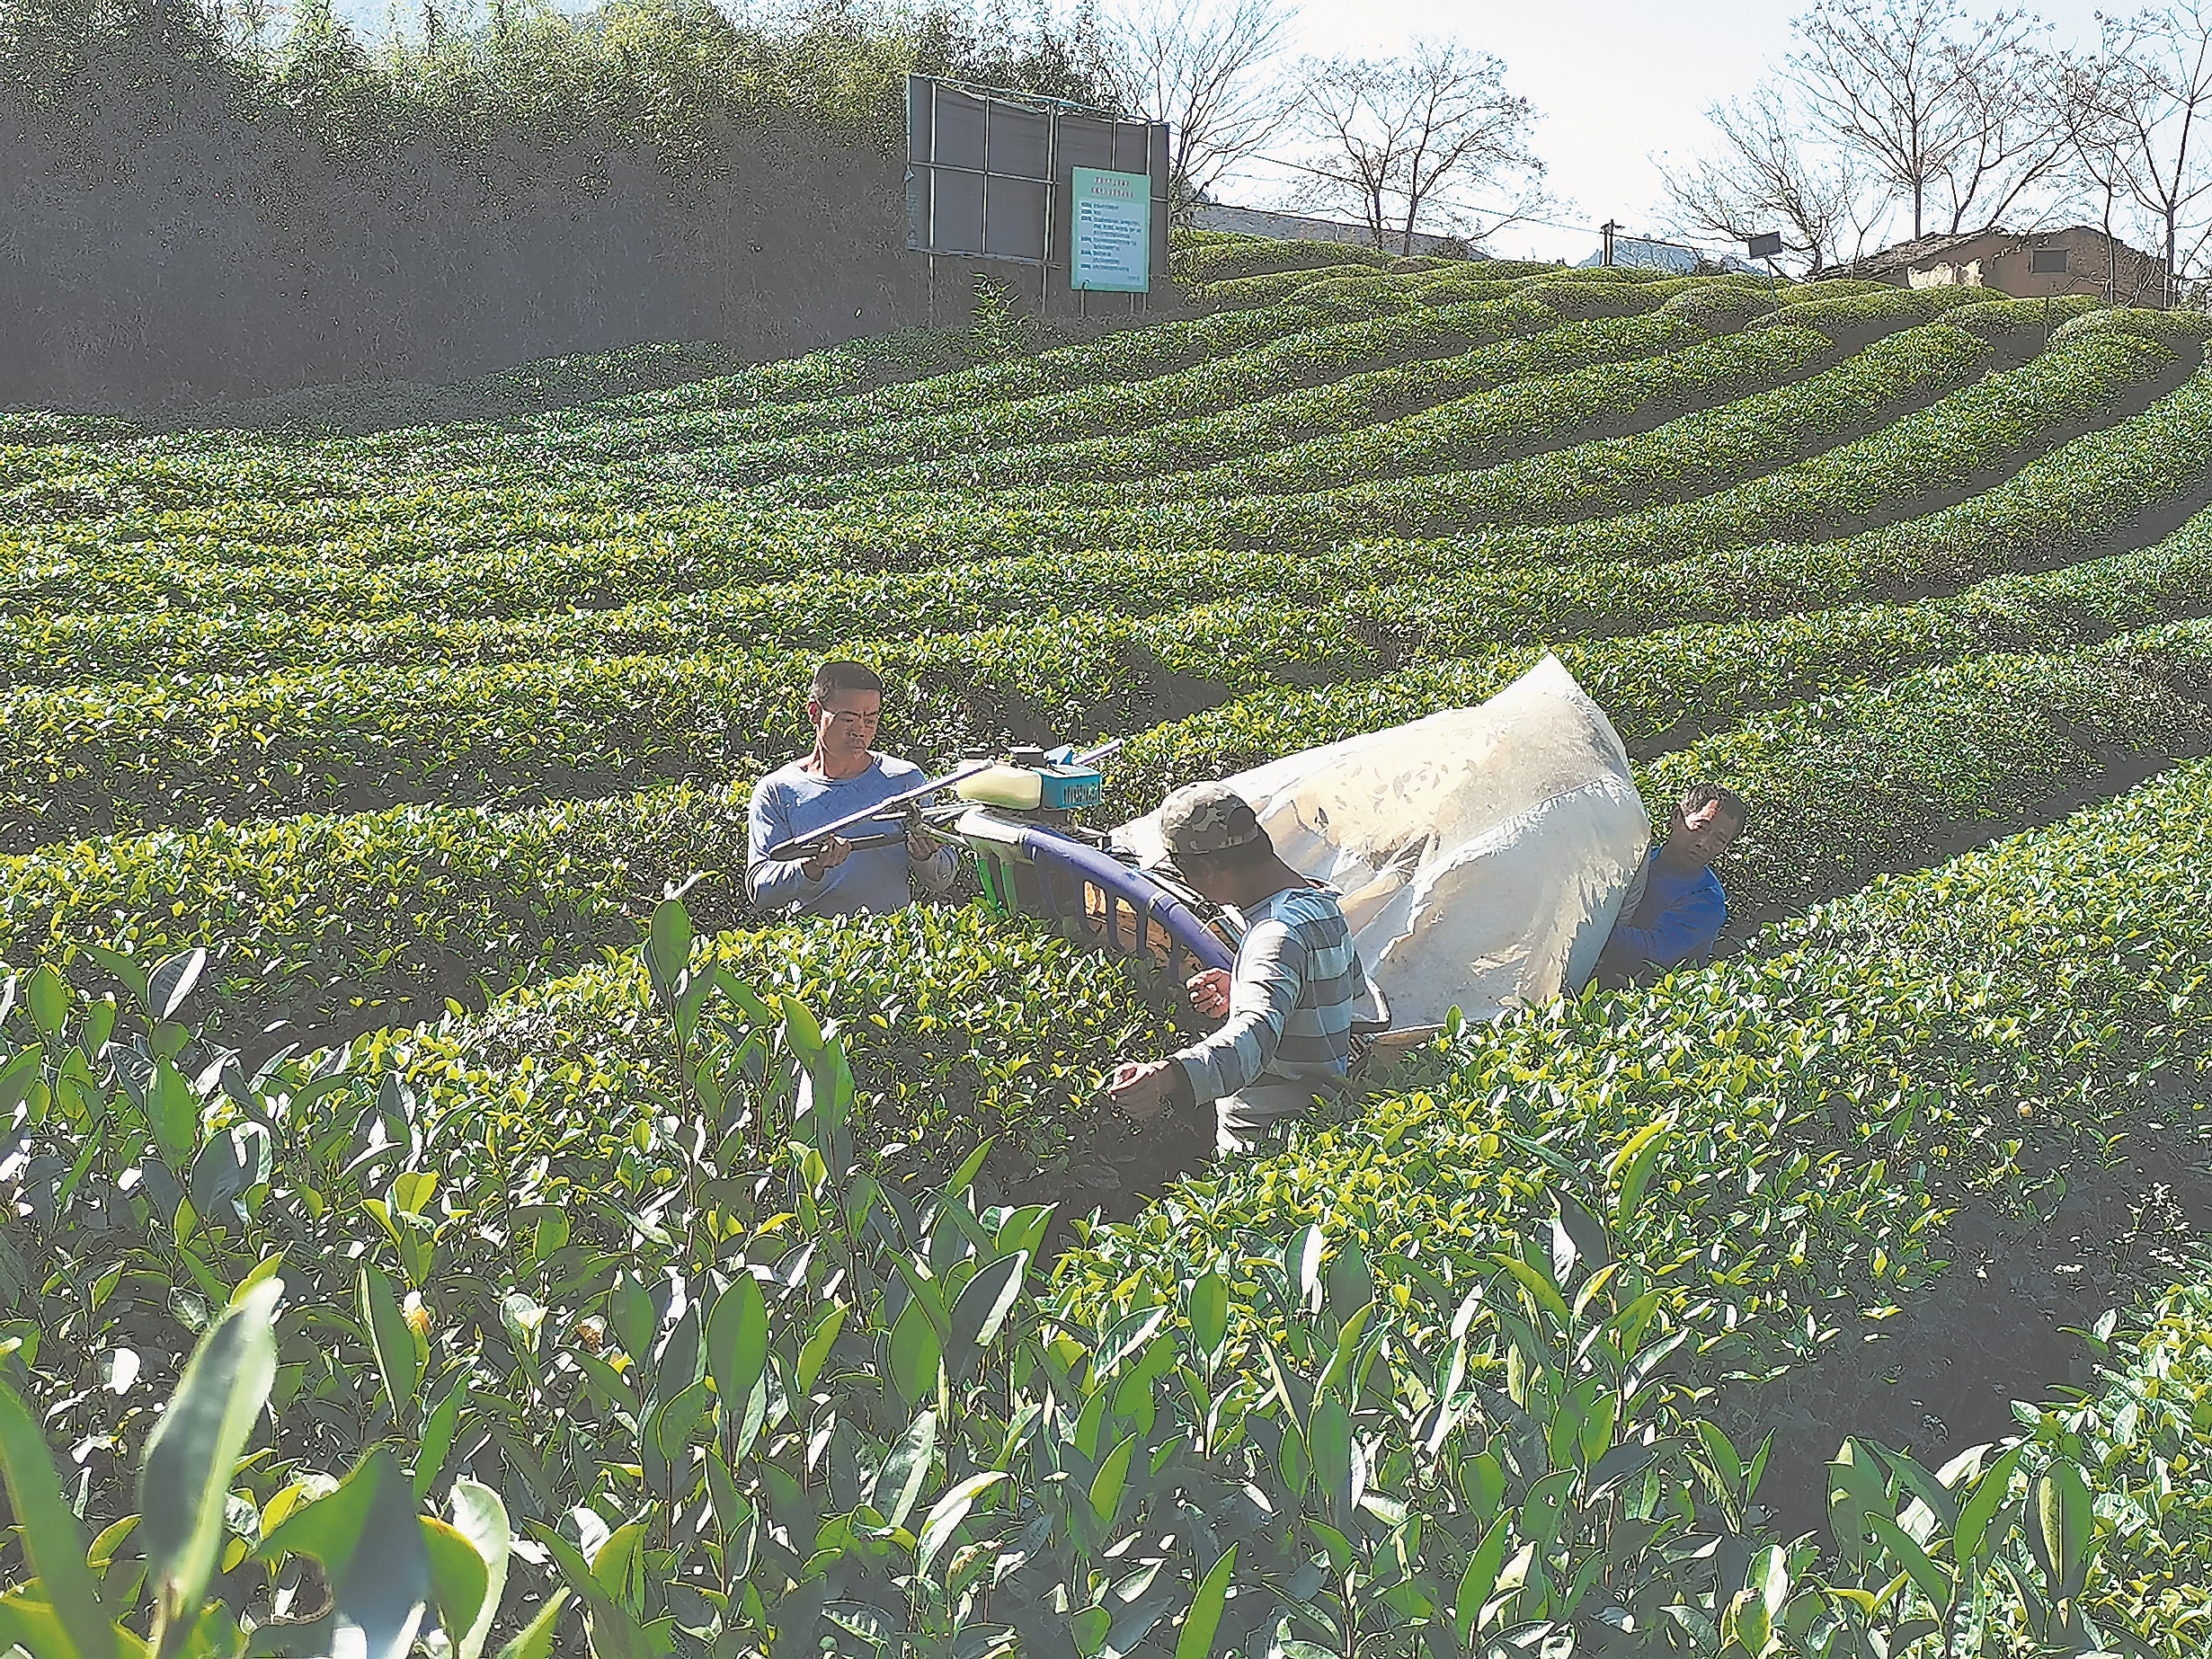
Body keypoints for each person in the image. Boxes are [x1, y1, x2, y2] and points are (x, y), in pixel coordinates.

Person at [1107, 782, 1377, 1155]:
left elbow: (1253, 1040)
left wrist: (1165, 1076)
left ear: (1207, 867)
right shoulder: (1319, 906)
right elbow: (1335, 1000)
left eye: (1182, 870)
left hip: (1270, 1155)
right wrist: (1243, 984)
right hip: (1321, 1127)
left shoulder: (1275, 935)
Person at [746, 660, 959, 918]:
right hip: (812, 947)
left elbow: (943, 876)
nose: (861, 730)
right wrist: (812, 867)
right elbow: (760, 888)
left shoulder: (905, 780)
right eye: (848, 718)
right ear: (814, 712)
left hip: (894, 943)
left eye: (870, 719)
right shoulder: (778, 791)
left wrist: (926, 856)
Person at [1595, 782, 1747, 989]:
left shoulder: (1706, 900)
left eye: (1720, 840)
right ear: (1677, 816)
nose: (1705, 844)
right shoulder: (1638, 860)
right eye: (1701, 828)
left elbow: (1653, 951)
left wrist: (1587, 929)